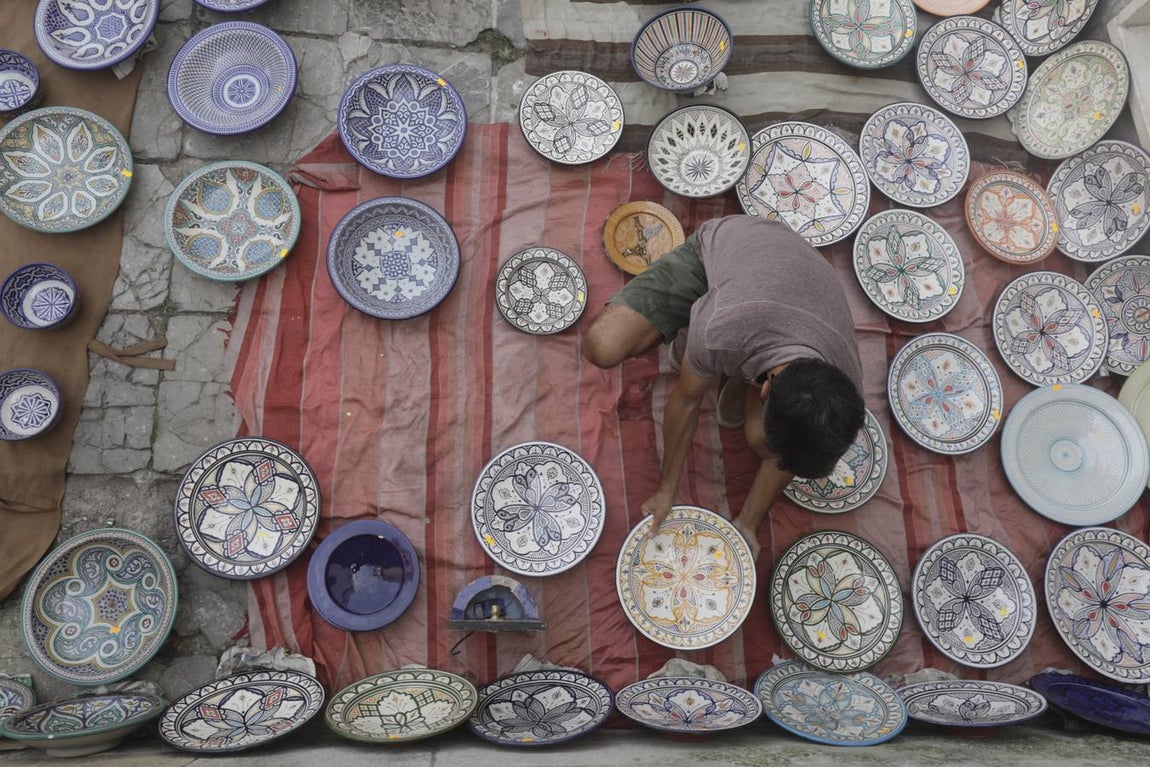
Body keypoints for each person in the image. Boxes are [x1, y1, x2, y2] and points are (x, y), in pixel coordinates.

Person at [583, 214, 864, 558]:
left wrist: (747, 524)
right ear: (764, 391)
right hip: (728, 247)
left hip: (792, 281)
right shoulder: (725, 328)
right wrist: (666, 489)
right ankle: (694, 320)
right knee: (603, 345)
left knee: (763, 442)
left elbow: (792, 453)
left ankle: (716, 347)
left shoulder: (844, 395)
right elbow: (686, 401)